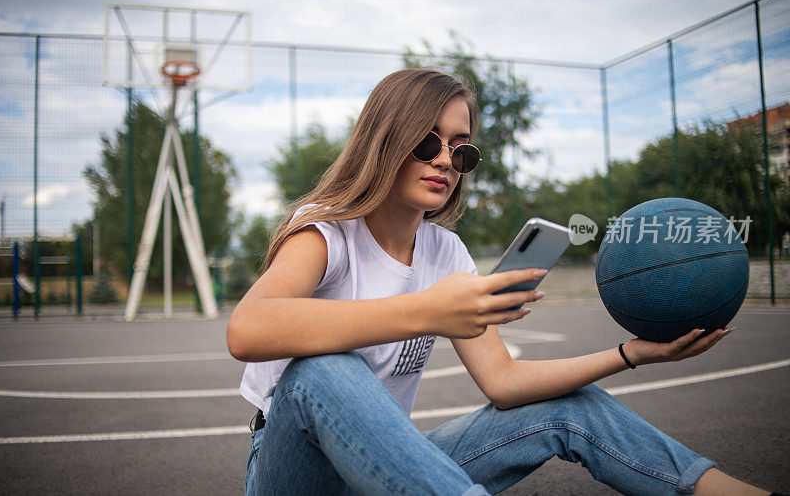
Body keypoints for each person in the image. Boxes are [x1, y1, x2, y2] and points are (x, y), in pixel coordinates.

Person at [227, 68, 773, 495]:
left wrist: (632, 354)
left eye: (461, 149)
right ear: (384, 141)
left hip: (388, 469)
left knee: (569, 403)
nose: (445, 160)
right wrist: (428, 311)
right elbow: (248, 329)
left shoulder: (445, 252)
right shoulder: (325, 231)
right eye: (426, 143)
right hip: (300, 476)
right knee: (323, 367)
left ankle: (719, 489)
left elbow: (504, 381)